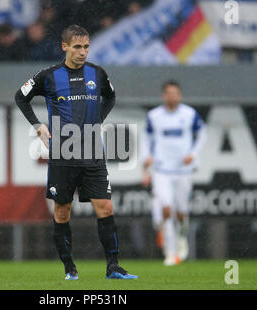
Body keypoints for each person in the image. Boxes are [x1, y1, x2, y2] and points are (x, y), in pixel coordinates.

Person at [14, 24, 137, 280]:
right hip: (63, 154)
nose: (83, 52)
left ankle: (113, 266)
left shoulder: (98, 73)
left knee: (105, 206)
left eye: (86, 47)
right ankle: (69, 268)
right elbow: (20, 97)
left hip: (93, 152)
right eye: (77, 47)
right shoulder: (48, 76)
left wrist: (99, 120)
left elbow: (111, 97)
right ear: (65, 47)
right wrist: (38, 126)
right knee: (63, 211)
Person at [141, 80, 206, 266]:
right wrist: (147, 158)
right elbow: (147, 139)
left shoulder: (189, 114)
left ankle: (182, 236)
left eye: (175, 93)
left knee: (182, 211)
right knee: (166, 208)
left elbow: (203, 133)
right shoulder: (154, 116)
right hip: (162, 170)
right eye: (169, 93)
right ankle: (170, 253)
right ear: (164, 95)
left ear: (180, 95)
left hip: (183, 170)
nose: (172, 96)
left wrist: (193, 154)